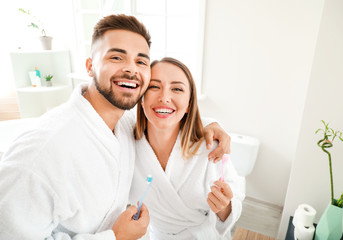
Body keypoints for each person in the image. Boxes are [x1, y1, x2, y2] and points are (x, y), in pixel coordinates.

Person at [0, 15, 230, 240]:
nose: (131, 70)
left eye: (141, 61)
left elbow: (167, 119)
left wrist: (210, 125)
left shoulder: (122, 126)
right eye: (117, 58)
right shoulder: (39, 154)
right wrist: (116, 236)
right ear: (90, 66)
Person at [130, 57, 245, 239]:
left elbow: (235, 196)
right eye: (154, 86)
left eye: (177, 89)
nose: (164, 97)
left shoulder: (210, 146)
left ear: (189, 105)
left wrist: (225, 208)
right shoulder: (127, 145)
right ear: (141, 98)